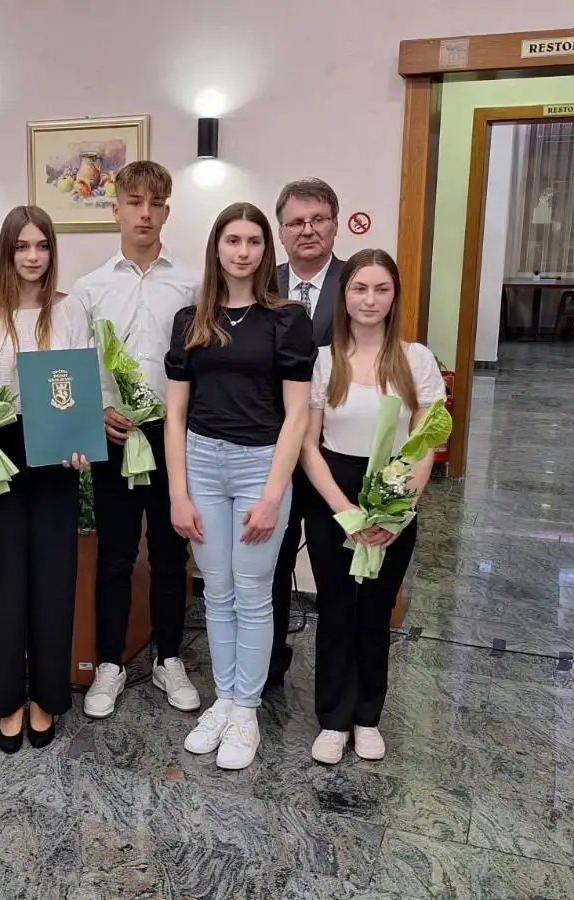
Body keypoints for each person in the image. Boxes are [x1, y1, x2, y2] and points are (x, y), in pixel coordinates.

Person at [164, 203, 313, 770]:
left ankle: (246, 710)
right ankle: (223, 699)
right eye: (232, 240)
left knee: (253, 593)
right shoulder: (190, 321)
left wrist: (274, 493)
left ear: (264, 250)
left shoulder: (287, 320)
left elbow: (297, 415)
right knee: (217, 591)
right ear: (217, 247)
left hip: (259, 466)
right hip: (201, 463)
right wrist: (179, 493)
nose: (243, 251)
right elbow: (175, 415)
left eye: (253, 240)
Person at [70, 160, 203, 719]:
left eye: (156, 204)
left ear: (167, 211)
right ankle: (109, 664)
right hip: (116, 435)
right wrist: (95, 410)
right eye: (135, 203)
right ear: (116, 209)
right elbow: (77, 367)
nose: (145, 214)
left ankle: (168, 657)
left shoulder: (193, 282)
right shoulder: (88, 288)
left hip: (173, 435)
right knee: (117, 557)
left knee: (172, 556)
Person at [302, 248, 445, 766]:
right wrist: (345, 511)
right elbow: (307, 445)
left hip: (395, 494)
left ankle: (367, 717)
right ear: (344, 295)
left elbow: (425, 441)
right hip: (333, 496)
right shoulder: (323, 360)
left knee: (375, 612)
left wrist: (395, 510)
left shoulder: (417, 359)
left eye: (380, 289)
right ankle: (333, 720)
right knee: (336, 609)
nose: (369, 299)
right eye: (359, 288)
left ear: (394, 296)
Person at [0, 206, 93, 753]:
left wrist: (82, 440)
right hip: (2, 453)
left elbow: (85, 382)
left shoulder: (71, 310)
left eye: (41, 246)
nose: (33, 257)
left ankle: (49, 698)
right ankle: (7, 700)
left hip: (57, 456)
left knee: (55, 583)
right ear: (7, 253)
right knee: (5, 583)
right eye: (22, 247)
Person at [269, 177, 347, 689]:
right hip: (269, 449)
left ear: (335, 225)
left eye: (318, 219)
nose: (308, 230)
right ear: (281, 231)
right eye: (296, 222)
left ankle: (334, 685)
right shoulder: (260, 282)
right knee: (271, 564)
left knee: (333, 567)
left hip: (332, 451)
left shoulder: (358, 283)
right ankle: (269, 662)